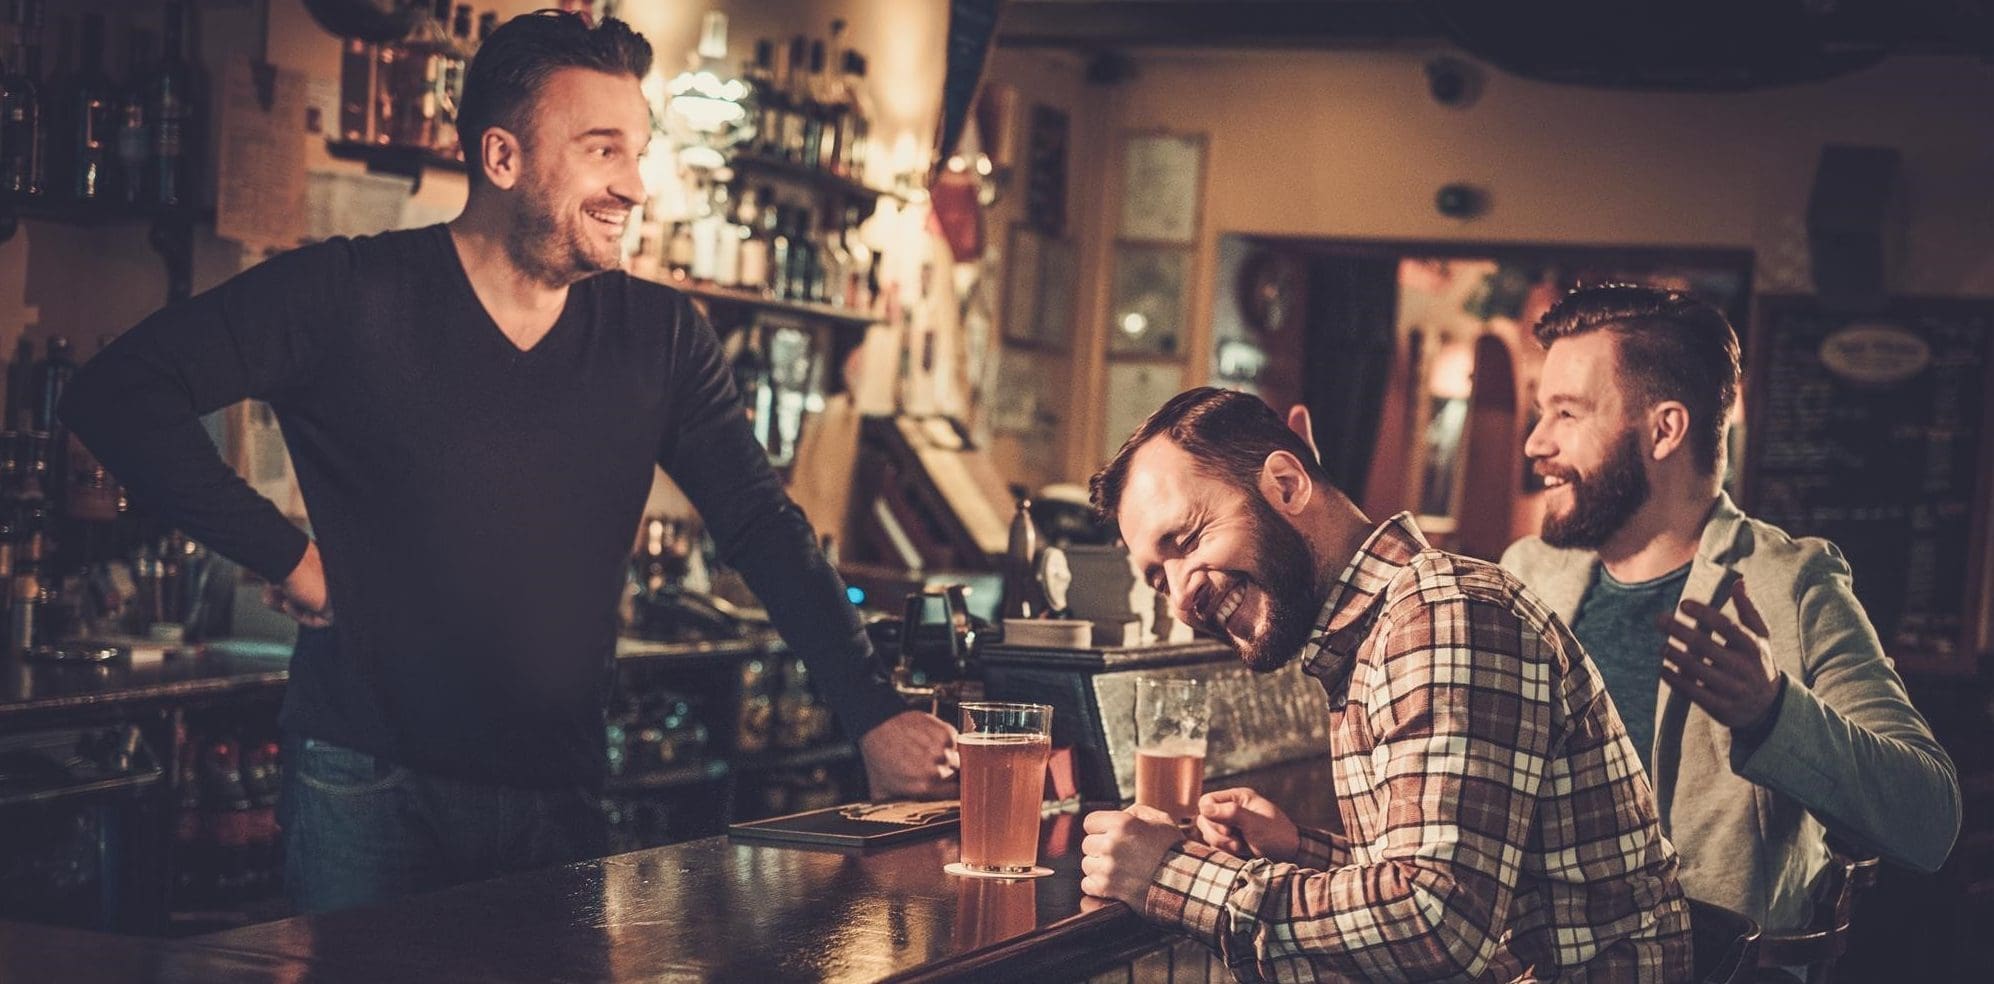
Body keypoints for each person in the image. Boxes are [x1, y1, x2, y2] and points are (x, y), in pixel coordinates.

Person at [59, 11, 953, 914]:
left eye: (638, 153)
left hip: (557, 792)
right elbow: (117, 396)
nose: (634, 186)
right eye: (603, 151)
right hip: (368, 783)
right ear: (501, 157)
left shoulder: (662, 337)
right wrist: (287, 557)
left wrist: (870, 709)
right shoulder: (349, 293)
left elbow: (761, 525)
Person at [1078, 387, 1690, 981]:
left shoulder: (1444, 615)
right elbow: (1471, 884)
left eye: (1185, 541)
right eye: (1160, 579)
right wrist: (1297, 851)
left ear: (1286, 486)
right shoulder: (1378, 631)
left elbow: (1435, 923)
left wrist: (1170, 876)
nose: (1183, 595)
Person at [1500, 284, 1959, 932]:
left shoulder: (1794, 586)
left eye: (1568, 414)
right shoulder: (1525, 575)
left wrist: (1773, 712)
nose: (1536, 442)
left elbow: (1928, 819)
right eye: (1542, 412)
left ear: (1664, 429)